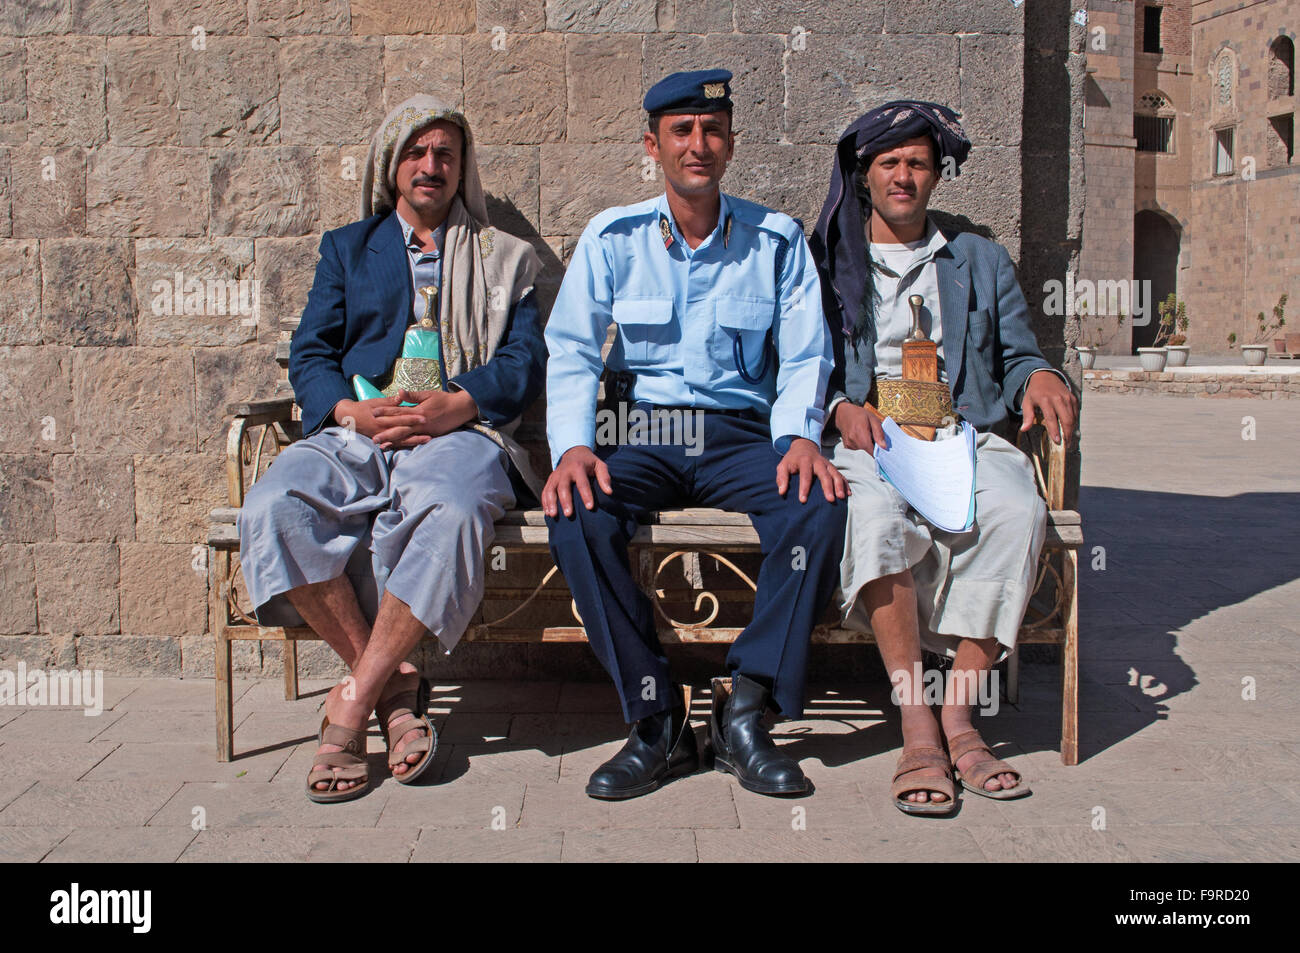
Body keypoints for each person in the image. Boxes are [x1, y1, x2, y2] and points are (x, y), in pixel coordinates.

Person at [543, 69, 847, 802]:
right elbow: (575, 348)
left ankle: (746, 708)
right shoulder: (613, 237)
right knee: (576, 512)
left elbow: (807, 355)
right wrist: (574, 447)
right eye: (682, 130)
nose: (698, 144)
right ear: (653, 144)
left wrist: (801, 436)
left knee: (817, 504)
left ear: (732, 141)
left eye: (712, 130)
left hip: (741, 433)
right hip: (640, 428)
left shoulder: (774, 242)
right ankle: (657, 720)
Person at [237, 95, 546, 803]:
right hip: (359, 430)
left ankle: (349, 705)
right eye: (416, 151)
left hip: (461, 430)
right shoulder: (348, 249)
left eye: (444, 152)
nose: (430, 165)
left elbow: (526, 360)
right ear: (391, 165)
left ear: (462, 166)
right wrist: (351, 410)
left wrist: (459, 402)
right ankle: (394, 691)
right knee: (277, 504)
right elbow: (310, 353)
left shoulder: (505, 258)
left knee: (457, 502)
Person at [810, 100, 1078, 816]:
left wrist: (1043, 375)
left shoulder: (978, 259)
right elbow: (802, 360)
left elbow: (1018, 354)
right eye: (890, 163)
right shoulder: (829, 262)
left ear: (936, 176)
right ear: (865, 175)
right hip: (872, 435)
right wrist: (839, 405)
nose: (904, 176)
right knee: (869, 512)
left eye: (918, 164)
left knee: (1019, 508)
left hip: (963, 429)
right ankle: (915, 719)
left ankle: (959, 714)